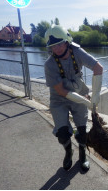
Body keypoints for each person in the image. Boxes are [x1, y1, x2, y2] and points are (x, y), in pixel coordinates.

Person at [44, 25, 103, 172]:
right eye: (52, 46)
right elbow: (61, 90)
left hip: (79, 91)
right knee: (62, 134)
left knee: (83, 132)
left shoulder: (77, 52)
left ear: (66, 41)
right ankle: (68, 151)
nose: (56, 48)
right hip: (59, 99)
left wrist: (95, 95)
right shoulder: (49, 64)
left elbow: (98, 68)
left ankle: (82, 154)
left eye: (59, 44)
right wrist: (85, 101)